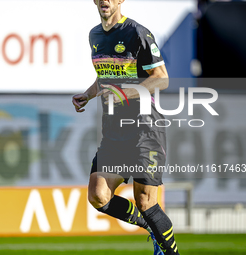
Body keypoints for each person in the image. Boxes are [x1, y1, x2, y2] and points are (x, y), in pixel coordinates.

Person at [72, 1, 180, 255]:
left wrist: (127, 92)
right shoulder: (95, 35)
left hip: (144, 128)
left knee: (145, 201)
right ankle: (150, 227)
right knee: (98, 196)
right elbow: (104, 76)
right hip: (114, 131)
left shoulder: (137, 33)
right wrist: (87, 95)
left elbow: (162, 78)